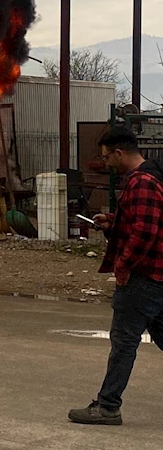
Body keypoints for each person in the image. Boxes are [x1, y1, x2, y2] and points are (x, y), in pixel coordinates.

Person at [68, 127, 163, 426]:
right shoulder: (150, 176)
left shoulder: (142, 182)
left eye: (107, 157)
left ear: (120, 153)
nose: (106, 162)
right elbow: (142, 223)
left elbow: (145, 232)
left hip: (143, 278)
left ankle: (108, 406)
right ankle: (108, 404)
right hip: (157, 276)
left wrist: (123, 265)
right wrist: (112, 222)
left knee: (123, 343)